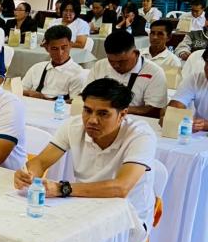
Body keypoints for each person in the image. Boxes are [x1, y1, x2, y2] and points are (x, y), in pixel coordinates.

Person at [15, 78, 156, 225]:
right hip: (83, 206)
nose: (92, 120)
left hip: (128, 218)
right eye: (87, 111)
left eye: (103, 114)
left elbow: (121, 188)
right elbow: (41, 162)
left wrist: (62, 189)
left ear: (122, 115)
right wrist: (28, 175)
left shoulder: (140, 136)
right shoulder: (73, 126)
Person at [87, 30, 168, 118]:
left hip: (137, 121)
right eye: (111, 61)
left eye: (122, 61)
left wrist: (115, 110)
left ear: (136, 53)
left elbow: (155, 110)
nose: (116, 65)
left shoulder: (154, 72)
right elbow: (86, 95)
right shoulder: (100, 65)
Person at [21, 25, 86, 101]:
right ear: (46, 48)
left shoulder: (77, 73)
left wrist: (44, 99)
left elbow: (75, 103)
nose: (60, 53)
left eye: (64, 47)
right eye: (54, 48)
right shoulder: (37, 68)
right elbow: (19, 90)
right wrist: (28, 93)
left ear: (70, 45)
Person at [166, 49, 208, 132]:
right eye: (207, 63)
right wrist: (169, 116)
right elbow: (175, 108)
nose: (207, 68)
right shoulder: (196, 79)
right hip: (198, 134)